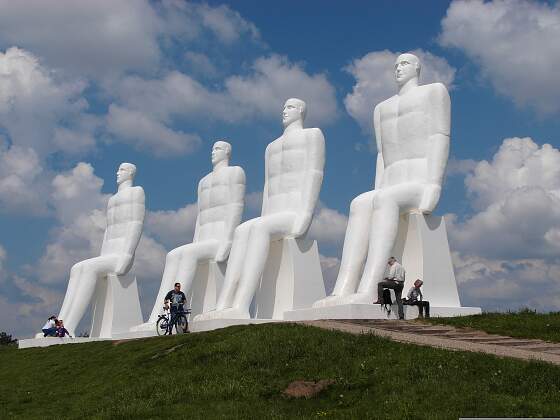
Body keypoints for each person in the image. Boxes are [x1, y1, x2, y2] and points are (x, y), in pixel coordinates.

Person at [314, 53, 450, 308]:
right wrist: (376, 190)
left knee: (384, 199)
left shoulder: (434, 92)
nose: (399, 68)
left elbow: (439, 137)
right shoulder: (381, 109)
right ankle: (342, 288)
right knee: (359, 203)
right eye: (396, 65)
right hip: (391, 183)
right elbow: (382, 155)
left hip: (418, 182)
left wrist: (434, 184)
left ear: (418, 68)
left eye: (405, 63)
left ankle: (370, 288)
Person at [195, 98, 325, 321]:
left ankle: (241, 305)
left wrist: (305, 214)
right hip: (273, 214)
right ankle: (224, 304)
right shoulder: (271, 147)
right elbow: (268, 187)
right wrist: (264, 216)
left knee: (257, 229)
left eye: (291, 107)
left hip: (293, 212)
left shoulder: (312, 135)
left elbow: (314, 173)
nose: (285, 110)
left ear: (302, 110)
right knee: (241, 231)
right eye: (283, 107)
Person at [134, 141, 245, 331]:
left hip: (218, 240)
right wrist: (195, 242)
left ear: (227, 152)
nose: (213, 152)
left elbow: (236, 206)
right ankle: (157, 316)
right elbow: (200, 218)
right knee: (173, 255)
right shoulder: (203, 182)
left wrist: (227, 242)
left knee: (187, 254)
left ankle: (173, 315)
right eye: (212, 148)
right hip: (203, 240)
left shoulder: (235, 172)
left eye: (217, 148)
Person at [56, 162, 145, 336]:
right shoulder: (112, 200)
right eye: (118, 168)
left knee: (87, 268)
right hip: (108, 254)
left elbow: (136, 223)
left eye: (122, 169)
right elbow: (108, 230)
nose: (117, 172)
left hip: (120, 255)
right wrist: (101, 256)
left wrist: (127, 255)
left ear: (131, 174)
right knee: (77, 268)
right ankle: (60, 324)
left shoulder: (137, 192)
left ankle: (70, 327)